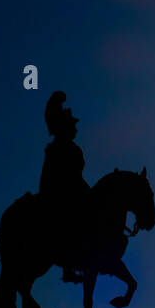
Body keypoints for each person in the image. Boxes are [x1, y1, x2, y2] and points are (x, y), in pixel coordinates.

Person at [39, 91, 91, 278]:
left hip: (70, 189)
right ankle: (69, 266)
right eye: (73, 125)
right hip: (59, 192)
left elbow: (76, 176)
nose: (76, 129)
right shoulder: (60, 147)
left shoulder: (71, 148)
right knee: (73, 219)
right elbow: (70, 176)